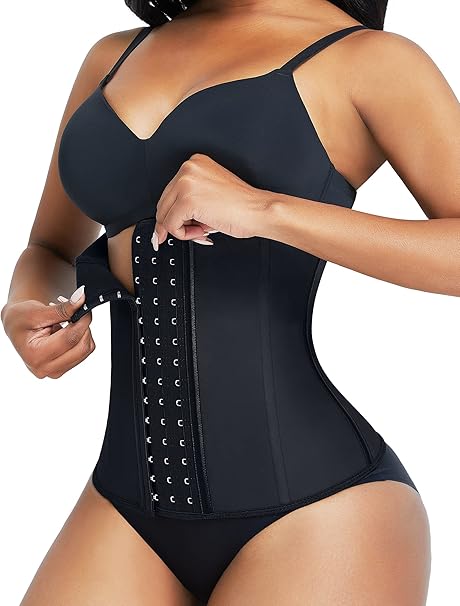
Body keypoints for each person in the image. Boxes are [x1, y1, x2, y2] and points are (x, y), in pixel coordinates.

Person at [6, 0, 460, 603]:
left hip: (318, 511)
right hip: (125, 503)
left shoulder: (370, 61)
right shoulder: (112, 57)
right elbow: (49, 247)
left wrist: (267, 211)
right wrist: (26, 305)